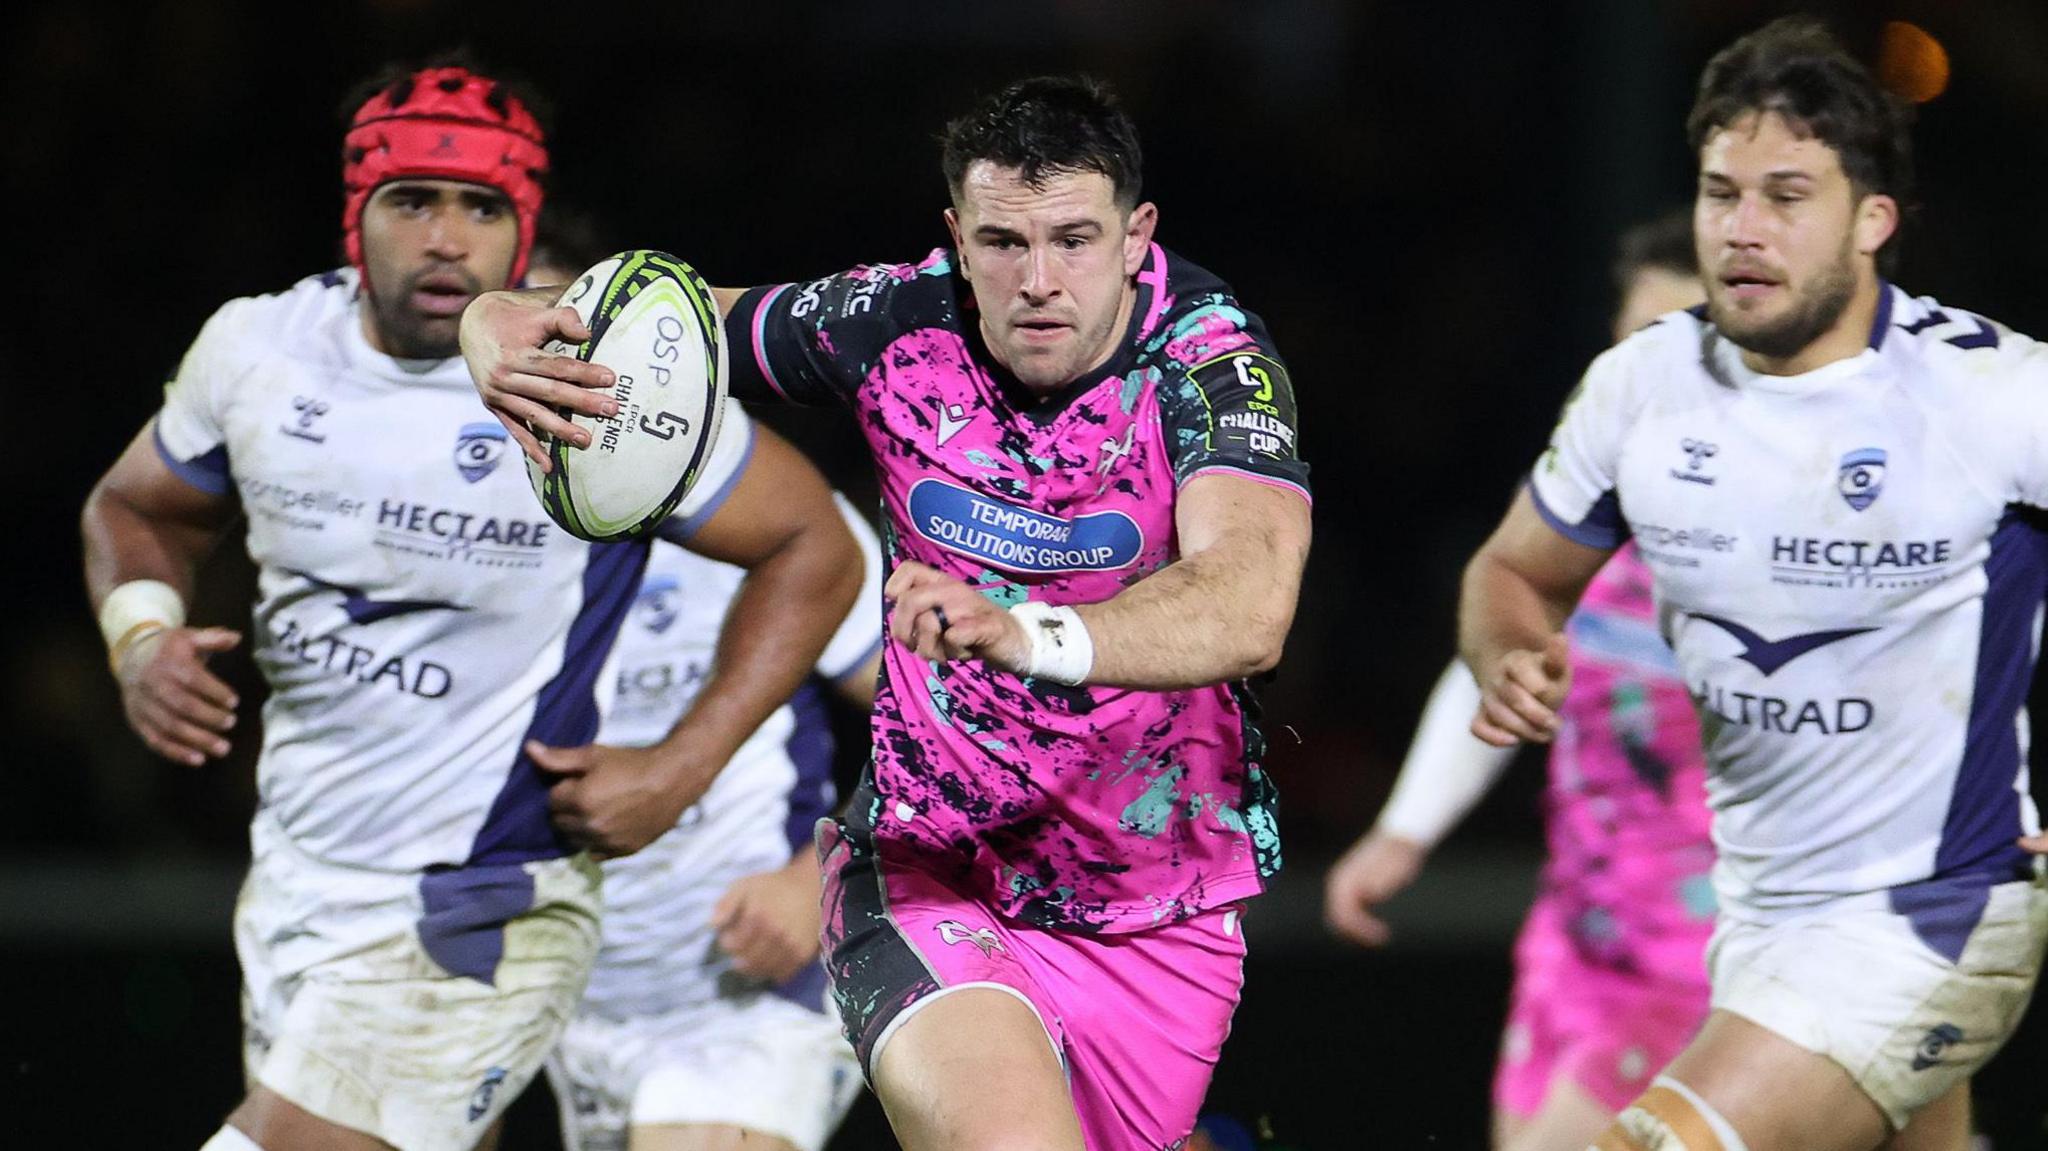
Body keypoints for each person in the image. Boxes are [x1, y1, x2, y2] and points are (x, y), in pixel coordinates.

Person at [461, 75, 1313, 1151]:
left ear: (1137, 235)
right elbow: (659, 322)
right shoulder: (891, 318)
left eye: (1073, 240)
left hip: (1158, 901)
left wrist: (1026, 632)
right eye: (1001, 241)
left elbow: (1248, 603)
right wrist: (490, 323)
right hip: (925, 871)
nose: (1037, 280)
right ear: (956, 236)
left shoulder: (1211, 362)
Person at [79, 60, 859, 1151]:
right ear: (356, 213)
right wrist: (141, 633)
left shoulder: (598, 390)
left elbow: (816, 547)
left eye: (481, 207)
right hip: (301, 882)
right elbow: (134, 505)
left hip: (487, 898)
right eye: (412, 201)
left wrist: (682, 768)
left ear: (522, 224)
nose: (446, 238)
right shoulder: (257, 350)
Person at [1461, 18, 2048, 1151]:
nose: (1742, 228)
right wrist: (1508, 648)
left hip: (1931, 914)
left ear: (1872, 220)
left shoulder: (1994, 395)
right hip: (1755, 923)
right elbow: (1512, 568)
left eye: (1786, 196)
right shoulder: (1640, 386)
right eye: (1720, 192)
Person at [1324, 212, 1713, 1151]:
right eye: (1636, 345)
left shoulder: (1797, 535)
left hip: (1729, 966)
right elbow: (1493, 668)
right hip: (1581, 947)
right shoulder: (1566, 513)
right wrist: (1405, 828)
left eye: (1688, 347)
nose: (1654, 376)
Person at [523, 227, 880, 1151]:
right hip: (559, 1001)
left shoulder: (770, 521)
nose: (558, 380)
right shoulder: (463, 539)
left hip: (743, 1000)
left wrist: (826, 874)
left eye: (574, 344)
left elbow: (961, 725)